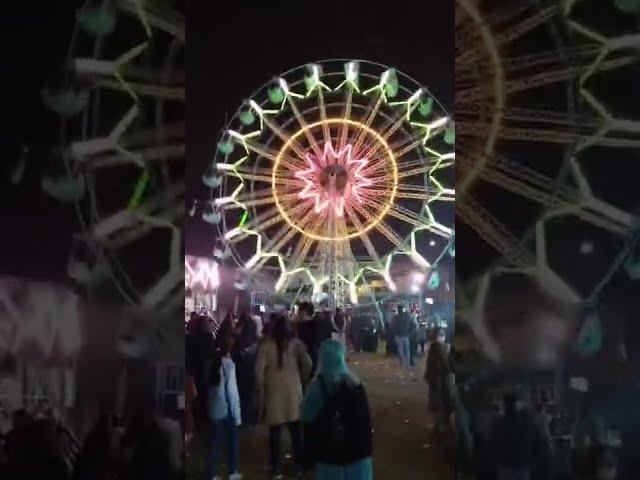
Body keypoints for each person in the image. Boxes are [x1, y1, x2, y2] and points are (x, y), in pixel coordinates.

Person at [302, 339, 373, 480]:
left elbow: (308, 421)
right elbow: (365, 421)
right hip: (358, 456)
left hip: (329, 456)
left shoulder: (316, 387)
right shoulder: (355, 383)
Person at [256, 313, 313, 478]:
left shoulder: (266, 345)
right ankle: (298, 467)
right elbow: (308, 364)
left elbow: (258, 371)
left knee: (275, 434)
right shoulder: (296, 345)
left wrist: (259, 387)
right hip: (294, 392)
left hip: (274, 393)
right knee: (296, 434)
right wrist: (301, 379)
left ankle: (277, 468)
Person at [203, 330, 243, 480]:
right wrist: (237, 415)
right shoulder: (229, 365)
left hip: (214, 408)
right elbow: (232, 393)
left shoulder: (210, 363)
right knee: (232, 442)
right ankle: (232, 471)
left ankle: (211, 473)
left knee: (214, 443)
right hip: (227, 409)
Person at [489, 393, 541, 480]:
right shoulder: (526, 422)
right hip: (521, 465)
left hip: (507, 466)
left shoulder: (499, 423)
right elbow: (537, 441)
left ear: (504, 405)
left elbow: (493, 444)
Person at [425, 328, 453, 434]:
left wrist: (428, 377)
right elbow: (448, 366)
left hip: (435, 382)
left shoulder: (433, 349)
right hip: (444, 381)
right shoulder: (444, 348)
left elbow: (429, 367)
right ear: (441, 336)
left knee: (437, 405)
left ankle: (437, 427)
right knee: (445, 403)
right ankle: (444, 427)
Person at [233, 312, 259, 426]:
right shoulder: (256, 342)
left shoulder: (239, 335)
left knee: (242, 393)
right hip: (249, 368)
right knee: (248, 393)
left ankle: (242, 417)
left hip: (241, 368)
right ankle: (248, 417)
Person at [391, 304, 412, 369]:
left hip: (398, 335)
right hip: (406, 335)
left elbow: (393, 326)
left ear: (398, 309)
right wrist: (409, 332)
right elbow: (412, 325)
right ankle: (408, 364)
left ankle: (402, 364)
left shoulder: (395, 317)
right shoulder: (407, 317)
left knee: (400, 350)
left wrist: (395, 332)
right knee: (407, 350)